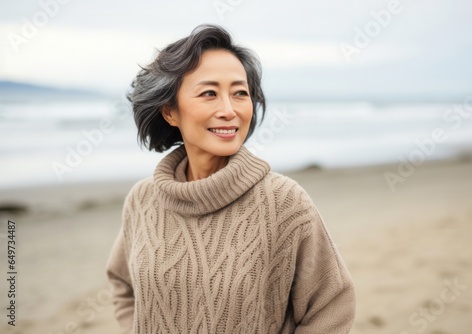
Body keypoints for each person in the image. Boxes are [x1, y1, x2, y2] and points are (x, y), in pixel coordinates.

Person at [106, 24, 355, 334]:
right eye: (209, 93)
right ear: (170, 112)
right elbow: (122, 284)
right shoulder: (143, 199)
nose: (229, 110)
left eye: (240, 93)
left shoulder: (284, 201)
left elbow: (332, 305)